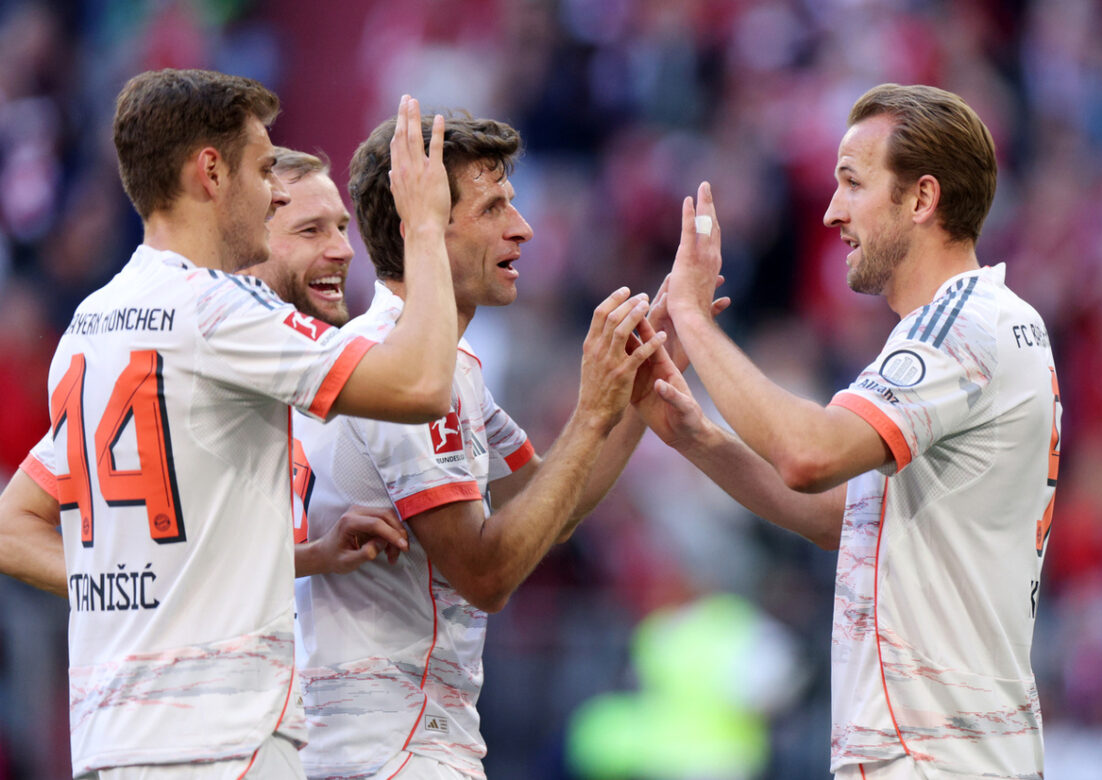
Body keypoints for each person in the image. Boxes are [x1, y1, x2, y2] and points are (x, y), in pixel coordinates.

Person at [8, 68, 458, 780]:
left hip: (111, 745)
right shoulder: (217, 309)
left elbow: (12, 528)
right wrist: (427, 225)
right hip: (222, 743)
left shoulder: (89, 327)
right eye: (261, 169)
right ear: (209, 172)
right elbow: (423, 382)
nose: (273, 190)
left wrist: (283, 561)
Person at [639, 83, 1063, 780]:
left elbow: (810, 454)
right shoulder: (982, 322)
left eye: (852, 183)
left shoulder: (962, 324)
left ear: (922, 200)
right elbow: (851, 517)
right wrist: (697, 438)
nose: (833, 212)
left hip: (933, 757)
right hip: (953, 751)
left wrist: (690, 316)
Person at [291, 112, 672, 780]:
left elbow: (550, 510)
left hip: (393, 731)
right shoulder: (399, 368)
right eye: (493, 207)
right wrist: (588, 414)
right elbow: (486, 574)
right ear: (427, 222)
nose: (521, 228)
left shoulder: (439, 363)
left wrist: (639, 392)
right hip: (389, 742)